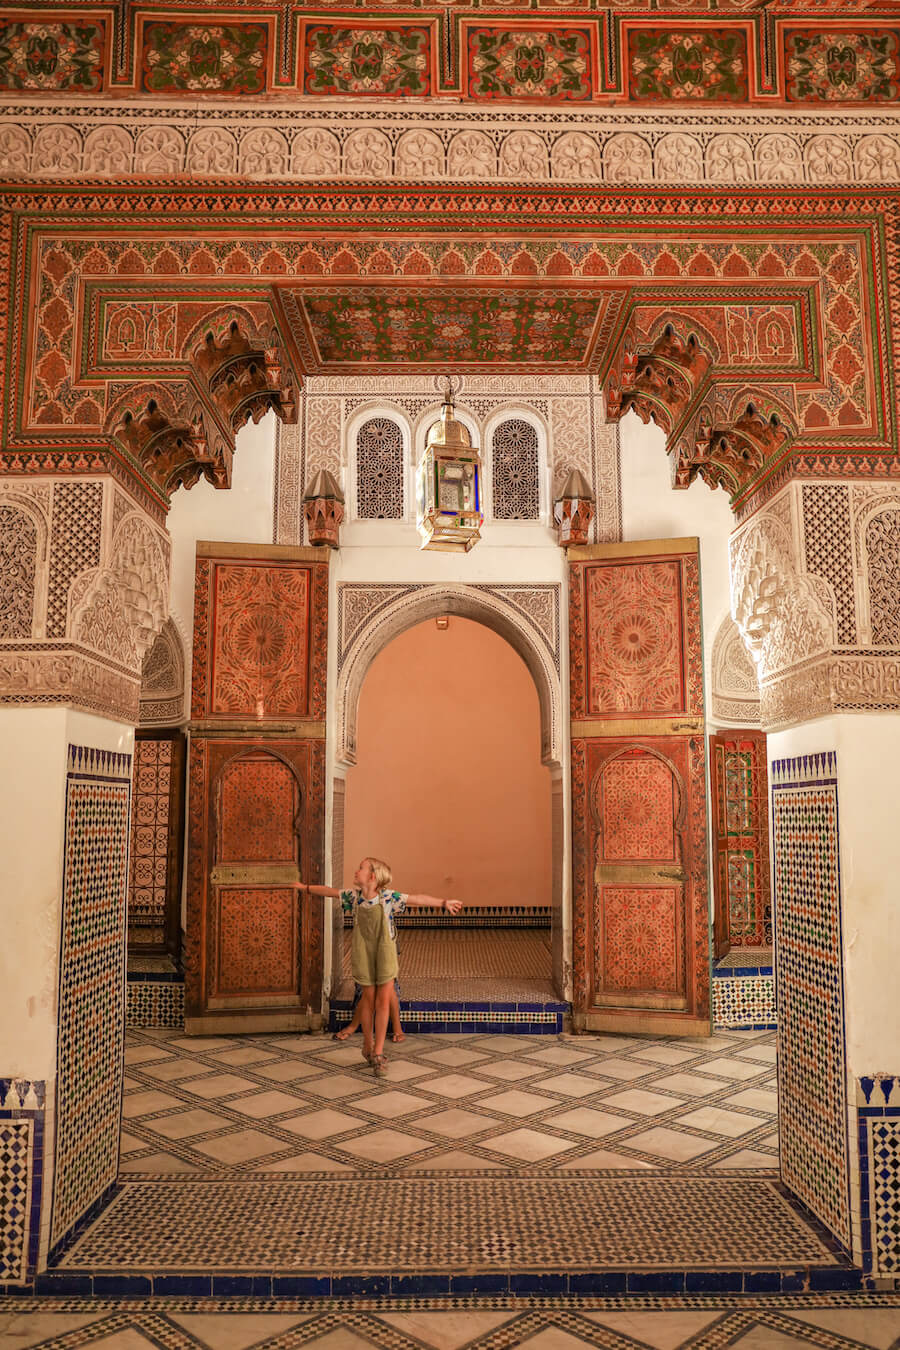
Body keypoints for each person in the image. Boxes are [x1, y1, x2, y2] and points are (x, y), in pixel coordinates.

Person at [299, 857, 461, 1076]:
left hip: (385, 952)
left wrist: (443, 903)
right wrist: (304, 888)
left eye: (361, 868)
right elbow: (329, 891)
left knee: (383, 1000)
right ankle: (367, 1044)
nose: (356, 871)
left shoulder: (388, 897)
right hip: (363, 952)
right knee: (368, 999)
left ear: (372, 877)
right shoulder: (353, 897)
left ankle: (378, 1051)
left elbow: (416, 899)